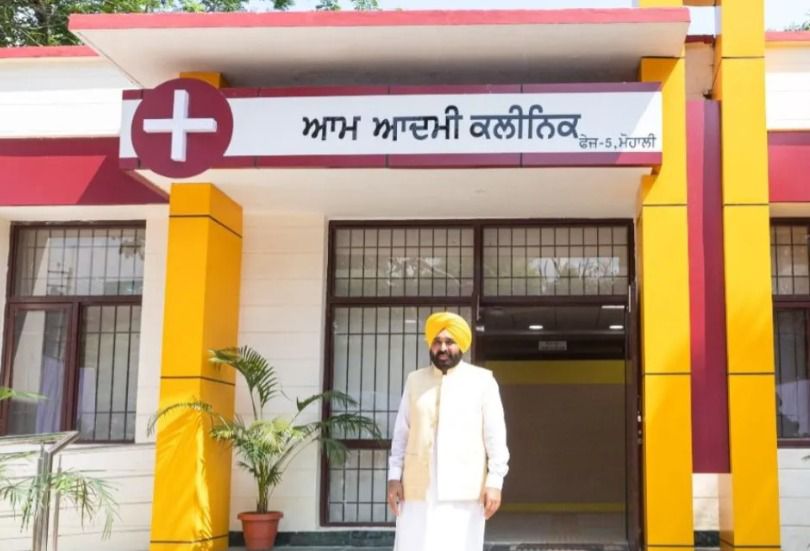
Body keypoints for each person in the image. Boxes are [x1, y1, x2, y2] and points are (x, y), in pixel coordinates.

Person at [387, 312, 510, 551]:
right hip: (417, 489)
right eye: (437, 341)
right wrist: (394, 477)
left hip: (464, 491)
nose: (443, 348)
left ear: (461, 344)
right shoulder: (414, 381)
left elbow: (495, 437)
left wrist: (495, 481)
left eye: (449, 341)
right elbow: (402, 434)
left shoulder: (483, 381)